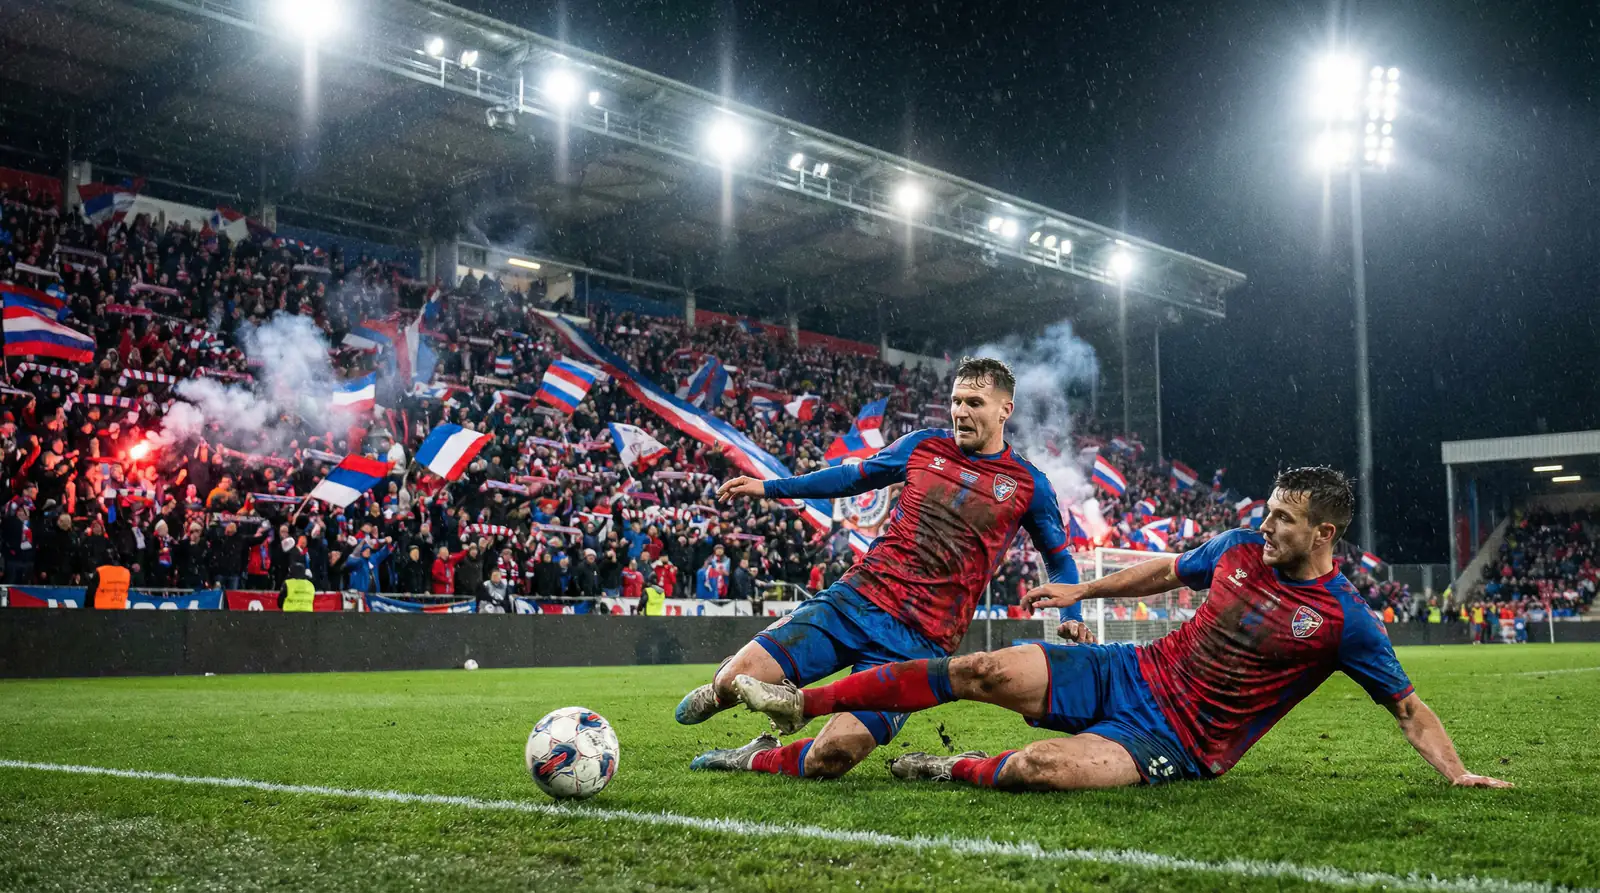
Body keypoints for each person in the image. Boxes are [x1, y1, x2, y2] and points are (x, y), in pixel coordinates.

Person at [730, 468, 1513, 791]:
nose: (1265, 524)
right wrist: (1080, 587)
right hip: (1130, 670)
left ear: (1324, 535)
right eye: (1269, 510)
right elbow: (1166, 572)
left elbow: (1408, 708)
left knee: (1039, 768)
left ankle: (954, 767)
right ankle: (802, 705)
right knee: (984, 669)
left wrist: (1458, 773)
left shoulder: (1345, 620)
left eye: (1284, 518)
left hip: (1176, 739)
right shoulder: (1237, 548)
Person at [682, 357, 1082, 779]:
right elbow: (851, 478)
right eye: (956, 401)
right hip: (856, 601)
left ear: (1006, 410)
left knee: (829, 759)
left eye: (975, 403)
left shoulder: (1028, 485)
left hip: (920, 640)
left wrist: (1071, 616)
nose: (961, 412)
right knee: (732, 684)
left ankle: (754, 755)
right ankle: (722, 684)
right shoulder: (923, 446)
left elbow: (1059, 560)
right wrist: (770, 488)